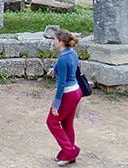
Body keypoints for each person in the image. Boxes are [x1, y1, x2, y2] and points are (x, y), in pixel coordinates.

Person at [47, 29, 82, 165]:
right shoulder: (72, 53)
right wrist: (55, 69)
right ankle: (68, 154)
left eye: (55, 39)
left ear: (61, 42)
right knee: (67, 123)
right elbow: (68, 66)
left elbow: (61, 84)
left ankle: (70, 150)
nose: (54, 41)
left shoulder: (62, 59)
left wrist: (56, 105)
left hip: (68, 93)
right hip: (76, 91)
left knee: (52, 122)